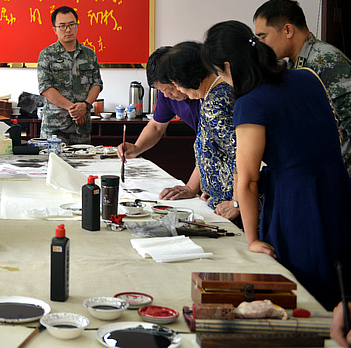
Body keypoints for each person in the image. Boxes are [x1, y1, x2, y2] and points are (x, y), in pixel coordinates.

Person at [203, 20, 351, 310]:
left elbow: (246, 180)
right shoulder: (307, 76)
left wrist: (253, 239)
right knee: (341, 280)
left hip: (296, 201)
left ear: (228, 67)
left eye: (219, 74)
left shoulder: (251, 103)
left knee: (305, 292)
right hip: (338, 189)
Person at [253, 0, 351, 176]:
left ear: (288, 30)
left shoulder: (325, 60)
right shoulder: (293, 65)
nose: (262, 45)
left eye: (263, 37)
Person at [162, 41, 240, 223]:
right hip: (219, 200)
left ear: (187, 77)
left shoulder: (215, 103)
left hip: (232, 207)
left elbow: (241, 155)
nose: (178, 90)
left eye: (176, 84)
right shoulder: (215, 94)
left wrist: (237, 203)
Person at [116, 46, 201, 200]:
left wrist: (191, 187)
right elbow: (156, 126)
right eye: (161, 90)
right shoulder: (167, 95)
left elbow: (212, 145)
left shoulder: (206, 95)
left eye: (169, 88)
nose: (166, 94)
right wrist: (137, 147)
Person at [36, 6, 102, 145]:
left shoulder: (89, 54)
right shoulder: (47, 55)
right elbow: (45, 88)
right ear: (54, 29)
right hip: (55, 128)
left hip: (81, 127)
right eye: (63, 26)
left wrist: (85, 105)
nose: (68, 29)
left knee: (82, 165)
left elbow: (97, 83)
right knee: (53, 166)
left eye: (72, 25)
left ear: (77, 25)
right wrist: (74, 109)